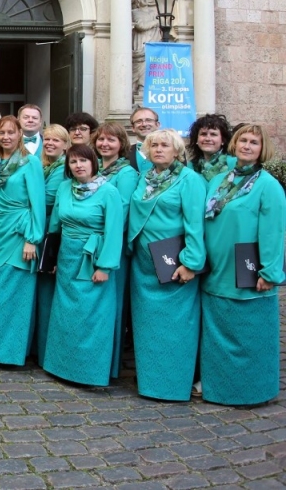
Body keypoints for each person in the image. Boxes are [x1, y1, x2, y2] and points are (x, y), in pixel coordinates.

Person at [199, 124, 285, 406]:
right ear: (234, 144)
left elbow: (274, 231)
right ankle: (218, 387)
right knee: (218, 335)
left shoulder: (268, 185)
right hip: (217, 270)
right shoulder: (220, 179)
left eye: (254, 142)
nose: (247, 146)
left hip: (247, 272)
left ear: (263, 149)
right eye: (243, 140)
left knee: (249, 336)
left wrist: (270, 272)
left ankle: (252, 391)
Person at [127, 129, 206, 401]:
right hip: (143, 265)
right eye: (154, 145)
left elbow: (195, 225)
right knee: (147, 327)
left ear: (177, 151)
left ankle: (173, 384)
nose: (159, 149)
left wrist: (191, 263)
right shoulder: (144, 179)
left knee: (176, 327)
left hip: (174, 264)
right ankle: (150, 381)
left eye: (165, 145)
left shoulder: (189, 180)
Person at [42, 144, 124, 386]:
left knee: (91, 316)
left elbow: (114, 231)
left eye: (83, 161)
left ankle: (88, 372)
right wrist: (52, 257)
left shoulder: (109, 191)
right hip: (67, 256)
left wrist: (104, 267)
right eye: (73, 161)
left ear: (93, 163)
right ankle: (61, 366)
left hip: (93, 258)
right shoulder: (65, 188)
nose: (78, 165)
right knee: (66, 314)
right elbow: (55, 224)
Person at [0, 115, 45, 367]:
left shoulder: (29, 163)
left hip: (21, 233)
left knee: (15, 294)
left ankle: (8, 354)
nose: (6, 137)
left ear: (20, 134)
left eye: (11, 132)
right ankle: (6, 349)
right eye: (2, 133)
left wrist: (32, 238)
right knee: (3, 293)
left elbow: (37, 203)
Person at [92, 121, 138, 379]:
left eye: (110, 140)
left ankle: (108, 366)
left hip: (111, 245)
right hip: (89, 242)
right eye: (100, 139)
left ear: (121, 144)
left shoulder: (126, 174)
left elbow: (120, 212)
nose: (104, 144)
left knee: (110, 304)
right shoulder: (94, 168)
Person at [35, 123, 71, 364]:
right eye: (47, 139)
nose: (49, 143)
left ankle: (48, 349)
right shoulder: (40, 164)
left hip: (52, 228)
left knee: (50, 289)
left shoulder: (65, 170)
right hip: (39, 225)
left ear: (66, 145)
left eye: (56, 140)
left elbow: (47, 198)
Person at [187, 113, 236, 184]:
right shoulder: (191, 167)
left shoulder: (233, 163)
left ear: (223, 140)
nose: (207, 138)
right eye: (203, 134)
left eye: (213, 134)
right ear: (196, 140)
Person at [129, 107, 160, 173]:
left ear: (157, 125)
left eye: (148, 120)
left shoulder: (173, 151)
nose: (144, 124)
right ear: (133, 128)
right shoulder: (124, 152)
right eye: (139, 121)